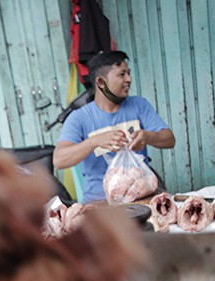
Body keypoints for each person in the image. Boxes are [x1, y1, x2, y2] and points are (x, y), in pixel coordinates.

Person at [53, 50, 176, 203]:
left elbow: (169, 139)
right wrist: (94, 141)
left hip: (140, 196)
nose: (129, 79)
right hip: (99, 201)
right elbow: (59, 160)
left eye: (129, 73)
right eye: (122, 74)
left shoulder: (139, 105)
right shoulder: (80, 118)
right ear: (100, 82)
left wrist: (148, 136)